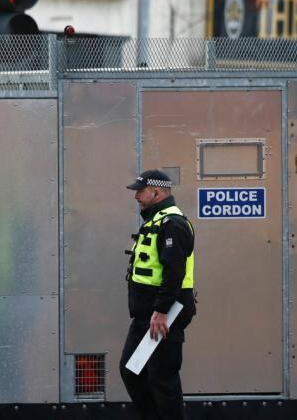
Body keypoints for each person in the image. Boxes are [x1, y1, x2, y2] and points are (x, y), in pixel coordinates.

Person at [120, 169, 196, 420]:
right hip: (147, 316)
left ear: (157, 192)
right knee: (132, 370)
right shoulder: (156, 220)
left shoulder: (173, 223)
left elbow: (174, 272)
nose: (136, 197)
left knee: (163, 379)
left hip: (164, 315)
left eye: (140, 191)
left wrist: (162, 311)